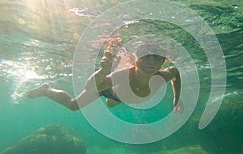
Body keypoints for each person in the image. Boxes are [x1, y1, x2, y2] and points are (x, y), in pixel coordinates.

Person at [26, 41, 183, 113]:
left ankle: (115, 99)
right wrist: (103, 70)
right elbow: (90, 88)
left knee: (111, 104)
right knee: (74, 106)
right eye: (145, 56)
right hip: (105, 88)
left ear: (164, 61)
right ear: (134, 60)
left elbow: (176, 72)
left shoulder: (164, 76)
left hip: (120, 96)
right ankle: (46, 90)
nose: (151, 61)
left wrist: (176, 99)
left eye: (157, 58)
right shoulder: (121, 76)